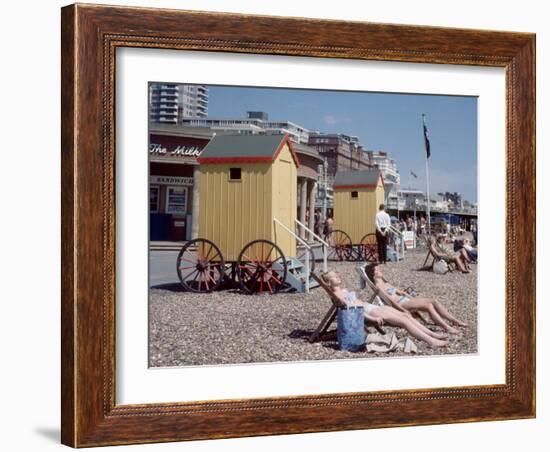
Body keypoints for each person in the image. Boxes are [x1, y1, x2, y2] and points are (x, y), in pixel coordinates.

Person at [322, 271, 449, 347]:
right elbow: (353, 309)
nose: (337, 275)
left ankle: (433, 334)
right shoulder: (337, 296)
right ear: (328, 283)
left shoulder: (344, 290)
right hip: (368, 312)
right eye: (333, 276)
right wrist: (372, 319)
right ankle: (431, 340)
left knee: (406, 316)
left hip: (371, 307)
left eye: (336, 274)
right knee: (404, 321)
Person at [364, 264, 467, 334]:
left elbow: (400, 291)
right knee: (428, 305)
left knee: (433, 301)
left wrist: (409, 296)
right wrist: (404, 311)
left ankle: (454, 321)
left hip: (406, 300)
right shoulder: (379, 287)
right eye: (377, 270)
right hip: (401, 304)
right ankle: (447, 327)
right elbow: (390, 302)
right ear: (373, 274)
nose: (380, 270)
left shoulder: (385, 282)